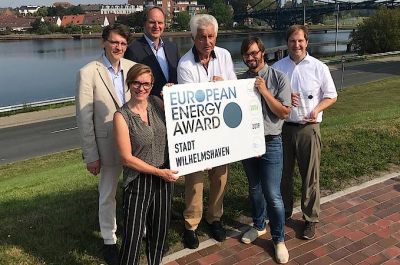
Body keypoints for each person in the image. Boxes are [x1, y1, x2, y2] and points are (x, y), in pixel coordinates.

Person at [75, 24, 135, 265]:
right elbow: (84, 118)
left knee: (134, 191)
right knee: (107, 195)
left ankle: (136, 230)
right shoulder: (88, 72)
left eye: (122, 43)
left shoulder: (132, 68)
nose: (118, 47)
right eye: (114, 42)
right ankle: (109, 240)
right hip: (106, 146)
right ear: (104, 43)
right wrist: (91, 155)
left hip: (135, 144)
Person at [177, 14, 237, 249]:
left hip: (221, 128)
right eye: (202, 37)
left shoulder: (224, 56)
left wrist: (222, 87)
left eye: (211, 36)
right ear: (193, 37)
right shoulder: (185, 64)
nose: (207, 41)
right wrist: (215, 87)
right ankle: (191, 224)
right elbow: (192, 101)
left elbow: (233, 88)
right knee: (194, 180)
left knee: (220, 177)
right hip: (197, 131)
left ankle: (215, 218)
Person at [273, 25, 338, 240]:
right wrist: (283, 98)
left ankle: (310, 219)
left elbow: (331, 95)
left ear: (306, 42)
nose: (296, 45)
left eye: (300, 40)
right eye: (292, 41)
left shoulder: (319, 67)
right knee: (284, 176)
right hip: (284, 129)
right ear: (287, 43)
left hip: (309, 129)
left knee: (310, 177)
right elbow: (269, 97)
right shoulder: (278, 67)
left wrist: (317, 109)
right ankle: (285, 213)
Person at [114, 63, 179, 265]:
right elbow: (126, 158)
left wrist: (172, 95)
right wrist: (159, 173)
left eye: (146, 84)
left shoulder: (157, 104)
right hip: (138, 181)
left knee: (159, 232)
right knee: (132, 237)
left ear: (152, 85)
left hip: (164, 176)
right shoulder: (121, 116)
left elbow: (181, 123)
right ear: (129, 84)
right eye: (137, 83)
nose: (142, 88)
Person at [239, 37, 291, 264]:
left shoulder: (279, 78)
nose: (250, 58)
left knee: (273, 195)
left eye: (254, 53)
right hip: (248, 143)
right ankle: (259, 226)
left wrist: (264, 91)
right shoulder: (240, 81)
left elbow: (283, 112)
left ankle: (279, 239)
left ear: (262, 52)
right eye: (246, 55)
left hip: (271, 142)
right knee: (254, 189)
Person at [124, 6, 179, 99]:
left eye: (160, 22)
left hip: (172, 105)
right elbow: (130, 84)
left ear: (164, 24)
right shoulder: (133, 49)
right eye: (152, 22)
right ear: (144, 24)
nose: (156, 26)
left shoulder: (172, 47)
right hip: (148, 107)